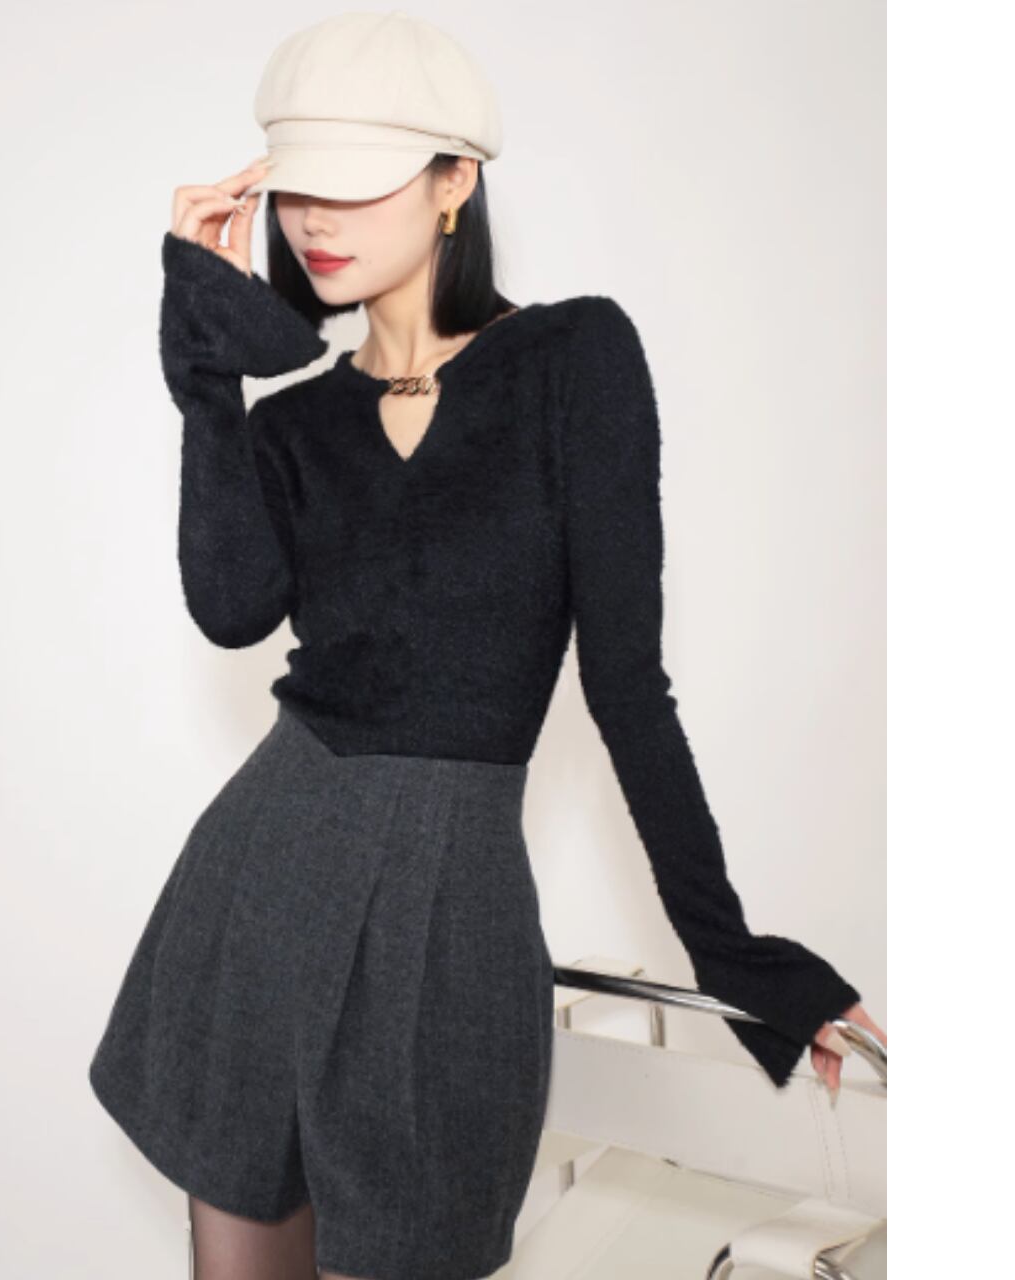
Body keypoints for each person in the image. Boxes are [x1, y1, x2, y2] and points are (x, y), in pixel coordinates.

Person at [88, 12, 886, 1280]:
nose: (315, 218)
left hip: (448, 914)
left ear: (455, 179)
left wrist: (735, 956)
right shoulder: (295, 427)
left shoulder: (572, 359)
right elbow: (229, 609)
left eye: (358, 180)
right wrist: (205, 371)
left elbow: (627, 686)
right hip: (259, 886)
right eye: (298, 184)